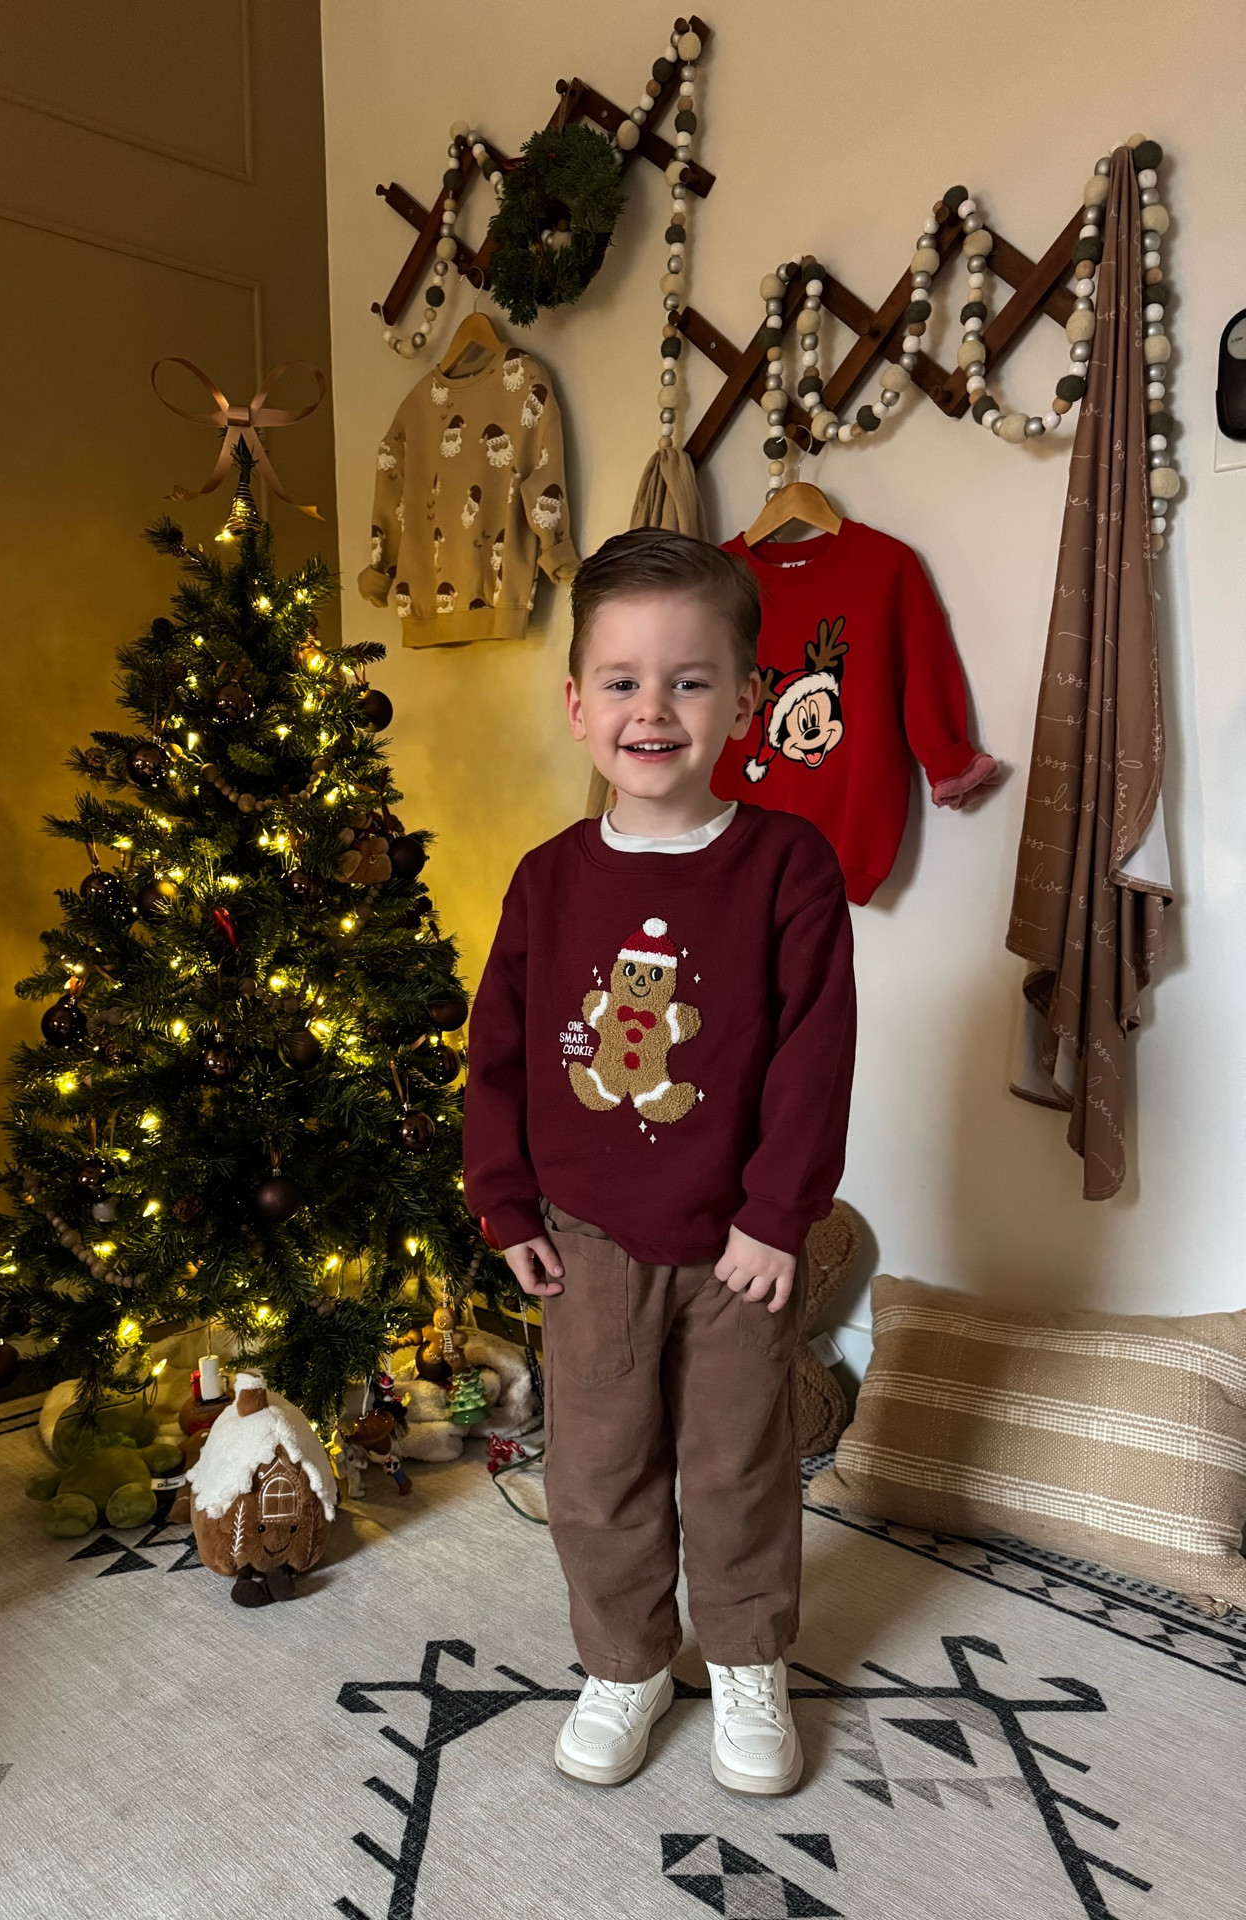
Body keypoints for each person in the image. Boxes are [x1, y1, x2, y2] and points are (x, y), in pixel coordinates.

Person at [463, 527, 856, 1796]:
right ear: (577, 703)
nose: (654, 708)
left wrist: (779, 1217)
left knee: (739, 1465)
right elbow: (501, 1054)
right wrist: (504, 1199)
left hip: (740, 1250)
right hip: (584, 1240)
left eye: (689, 680)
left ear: (746, 699)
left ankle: (745, 1658)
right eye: (623, 680)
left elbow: (813, 1057)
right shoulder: (548, 881)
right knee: (595, 1469)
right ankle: (625, 1662)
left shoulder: (789, 867)